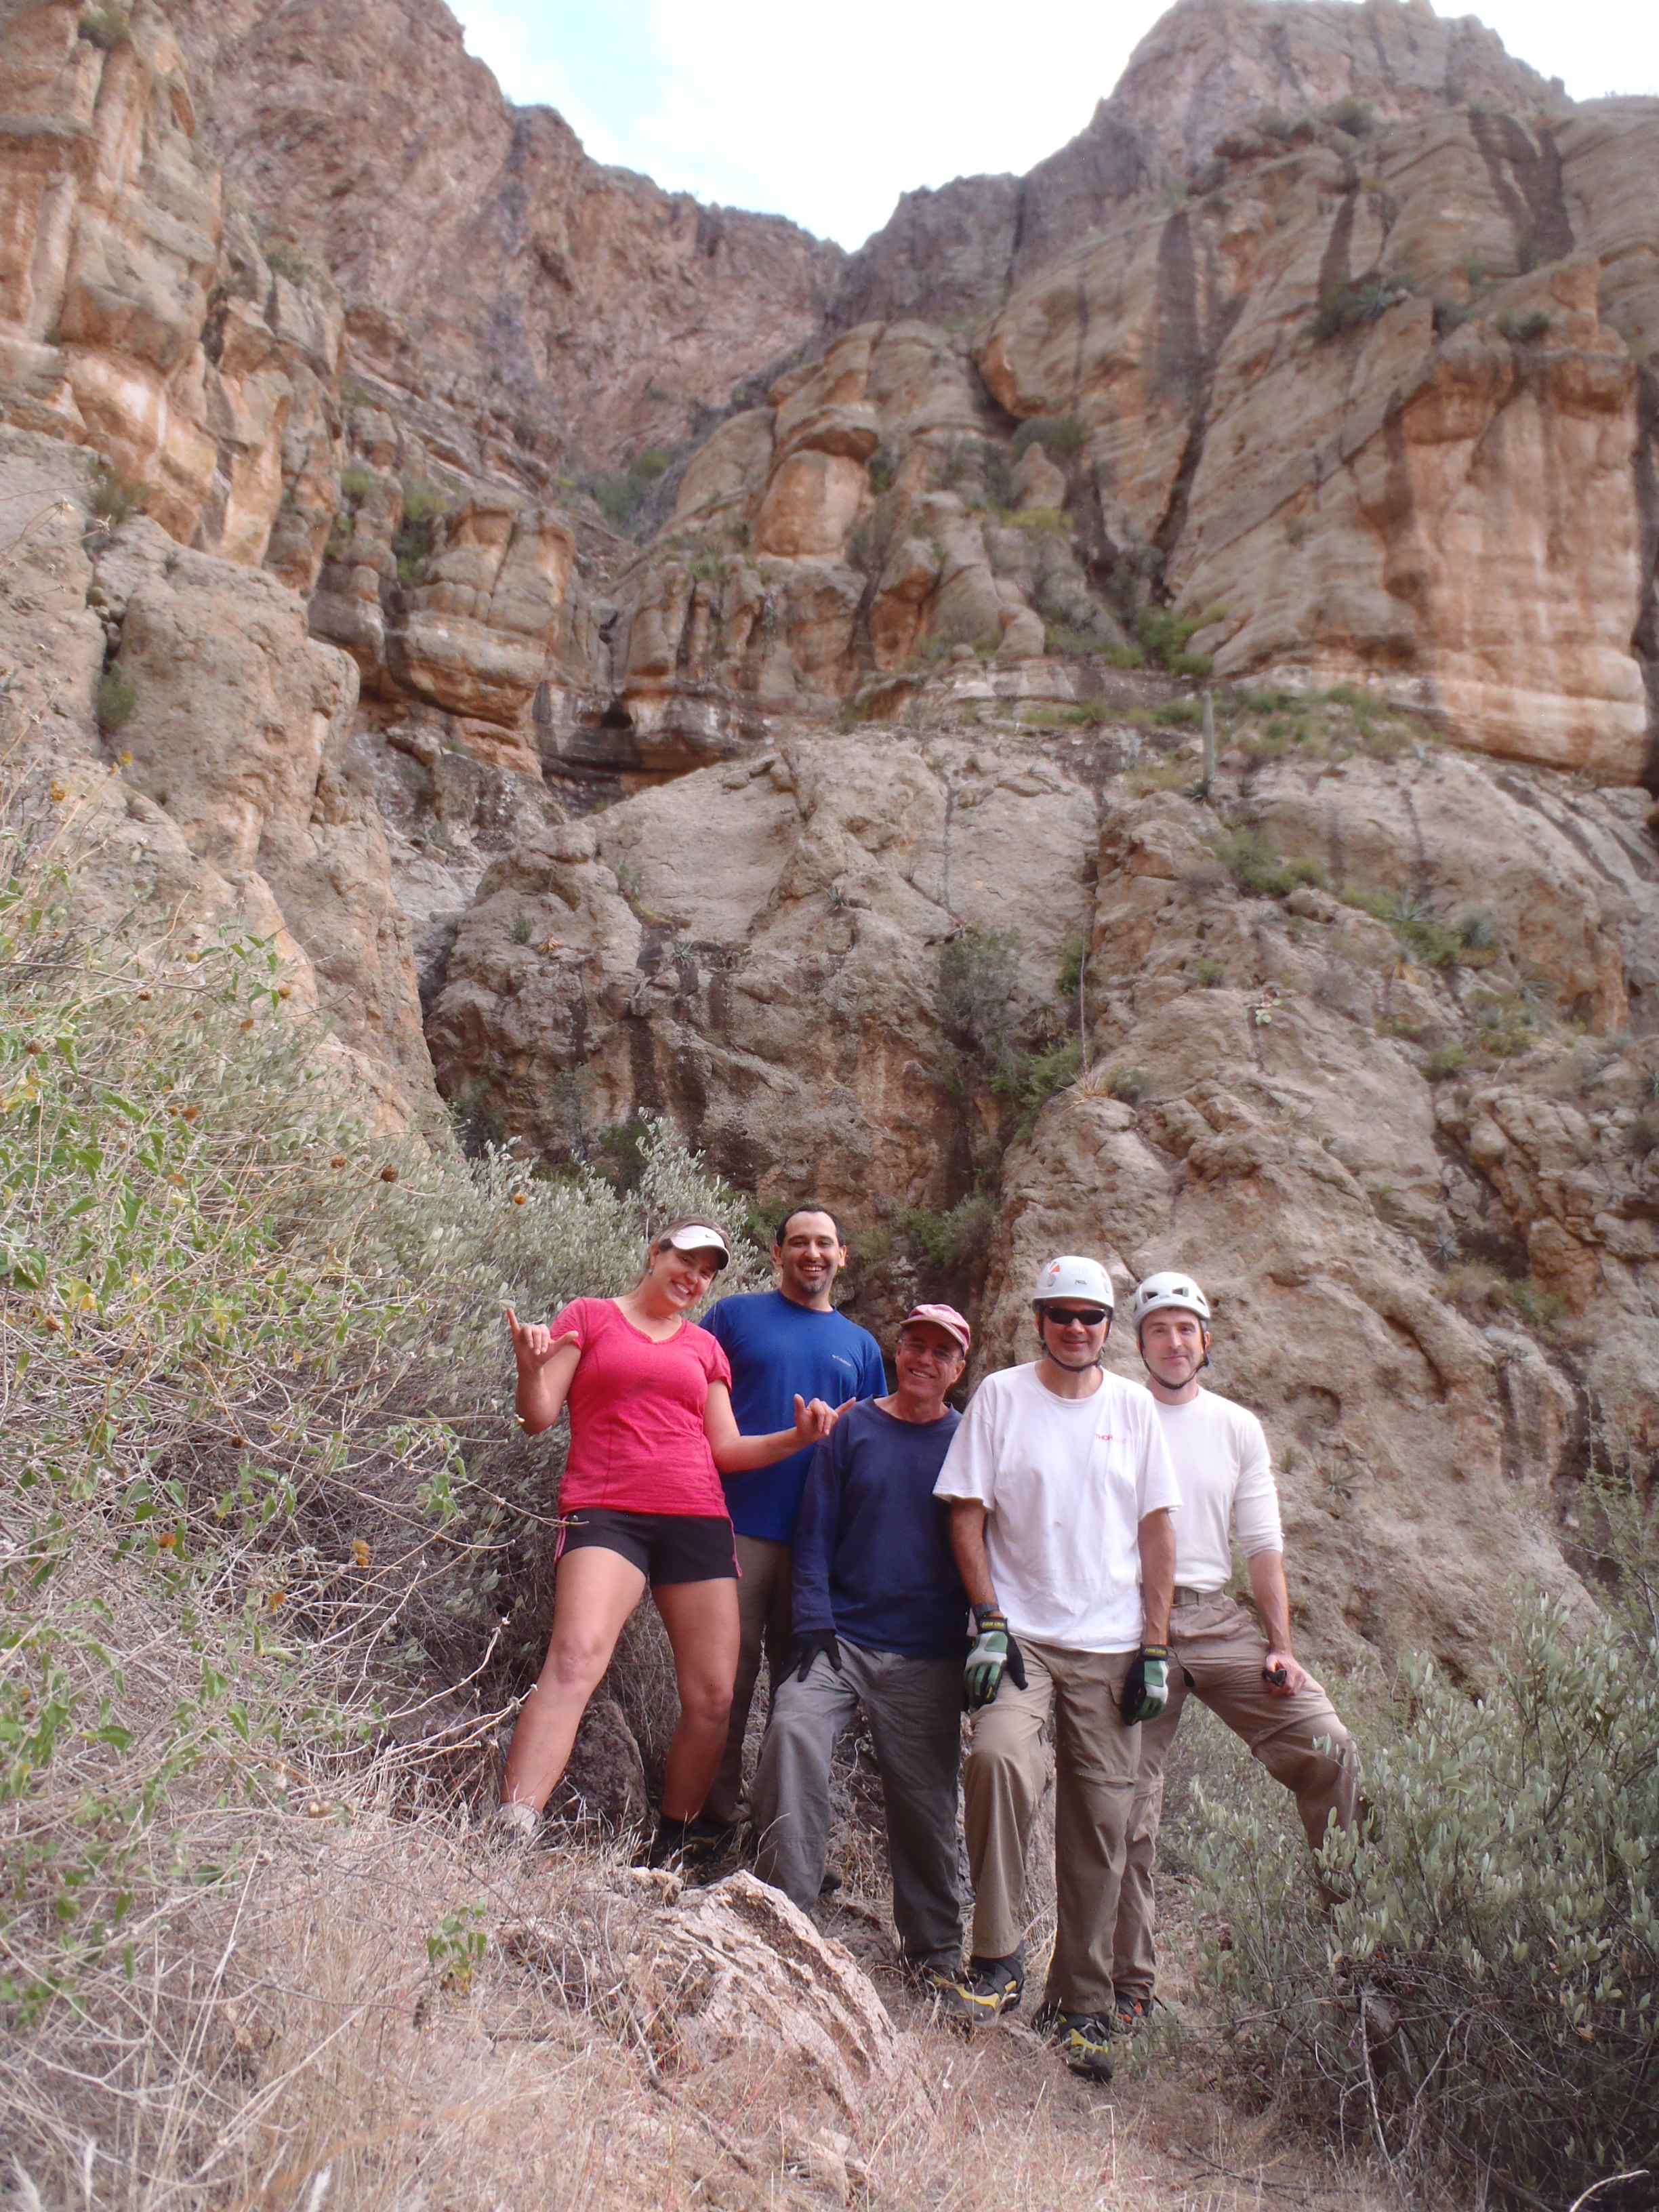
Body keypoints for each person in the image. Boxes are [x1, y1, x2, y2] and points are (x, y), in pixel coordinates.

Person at [495, 1219, 842, 1863]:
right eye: (685, 1260)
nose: (694, 1277)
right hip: (607, 1511)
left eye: (707, 1271)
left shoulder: (704, 1348)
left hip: (698, 1517)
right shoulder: (591, 1317)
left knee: (713, 1696)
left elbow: (726, 1449)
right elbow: (536, 1419)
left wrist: (797, 1439)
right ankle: (513, 1830)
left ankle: (676, 1844)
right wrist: (528, 1369)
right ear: (655, 1253)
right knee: (575, 1659)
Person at [933, 1254, 1181, 2083]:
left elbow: (1156, 1533)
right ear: (1038, 1318)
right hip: (1024, 1636)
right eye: (1062, 1314)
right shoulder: (1002, 1397)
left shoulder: (1137, 1409)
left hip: (1112, 1645)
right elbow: (967, 1515)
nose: (1077, 1329)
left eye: (1092, 1317)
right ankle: (996, 1959)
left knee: (1103, 1822)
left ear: (1110, 1328)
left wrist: (1155, 1645)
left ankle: (1081, 2002)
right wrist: (990, 1621)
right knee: (1000, 1758)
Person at [1109, 1270, 1359, 2028]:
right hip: (1129, 1624)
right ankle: (1130, 1990)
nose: (1175, 1342)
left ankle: (1358, 1949)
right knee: (1128, 1807)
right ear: (1141, 1342)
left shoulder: (1236, 1426)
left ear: (1205, 1341)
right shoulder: (1116, 1413)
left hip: (1215, 1620)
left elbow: (1262, 1545)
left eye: (1187, 1329)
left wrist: (1280, 1646)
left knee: (1330, 1748)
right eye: (1159, 1330)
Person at [752, 1304, 973, 1986]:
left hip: (927, 1653)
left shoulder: (970, 1442)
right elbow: (813, 1534)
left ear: (958, 1368)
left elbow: (986, 1545)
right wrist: (813, 1623)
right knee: (790, 1730)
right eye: (915, 1346)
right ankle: (785, 1919)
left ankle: (934, 1953)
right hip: (839, 1639)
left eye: (941, 1352)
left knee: (927, 1799)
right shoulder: (852, 1432)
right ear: (895, 1351)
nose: (924, 1361)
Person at [699, 1206, 886, 1831]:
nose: (813, 1253)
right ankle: (707, 1818)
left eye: (825, 1243)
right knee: (722, 1682)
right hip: (735, 1526)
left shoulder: (861, 1347)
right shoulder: (732, 1318)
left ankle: (783, 1837)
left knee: (801, 1693)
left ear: (843, 1256)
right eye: (800, 1242)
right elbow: (688, 1394)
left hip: (817, 1549)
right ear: (777, 1253)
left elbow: (870, 1449)